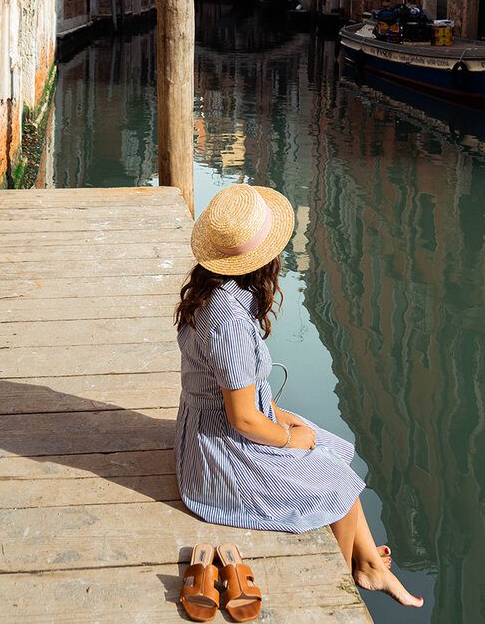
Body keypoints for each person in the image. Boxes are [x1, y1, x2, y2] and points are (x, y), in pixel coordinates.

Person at [174, 183, 423, 608]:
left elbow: (247, 395)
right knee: (337, 487)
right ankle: (344, 583)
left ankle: (370, 564)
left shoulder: (218, 291)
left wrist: (284, 417)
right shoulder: (227, 317)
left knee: (335, 448)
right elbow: (242, 419)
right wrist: (289, 438)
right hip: (220, 461)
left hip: (213, 432)